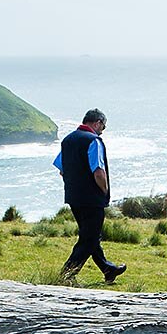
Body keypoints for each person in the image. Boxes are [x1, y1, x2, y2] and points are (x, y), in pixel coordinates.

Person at [53, 108, 126, 283]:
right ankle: (66, 275)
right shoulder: (94, 141)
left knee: (90, 235)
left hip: (73, 197)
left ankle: (108, 269)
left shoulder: (68, 140)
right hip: (92, 199)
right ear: (97, 122)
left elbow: (61, 169)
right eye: (104, 126)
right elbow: (99, 171)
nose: (103, 130)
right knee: (88, 239)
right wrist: (104, 190)